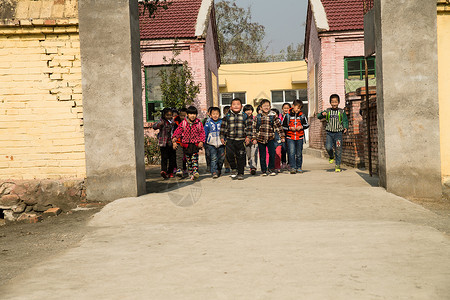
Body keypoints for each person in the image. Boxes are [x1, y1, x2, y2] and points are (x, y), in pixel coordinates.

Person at [220, 98, 252, 180]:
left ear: (241, 106)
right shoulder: (227, 116)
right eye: (234, 104)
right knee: (229, 155)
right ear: (231, 107)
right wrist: (222, 137)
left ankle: (240, 173)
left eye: (238, 104)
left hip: (241, 140)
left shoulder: (245, 116)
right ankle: (233, 168)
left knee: (240, 156)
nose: (236, 106)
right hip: (230, 139)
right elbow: (223, 127)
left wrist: (248, 137)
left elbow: (248, 128)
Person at [252, 99, 285, 176]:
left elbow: (278, 127)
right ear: (261, 107)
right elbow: (254, 128)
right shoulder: (258, 117)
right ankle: (264, 170)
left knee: (272, 154)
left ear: (270, 107)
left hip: (270, 138)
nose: (266, 107)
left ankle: (271, 168)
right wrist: (254, 138)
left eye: (268, 106)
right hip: (260, 139)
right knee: (262, 155)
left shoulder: (273, 116)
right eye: (264, 106)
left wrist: (282, 136)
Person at [172, 106, 205, 180]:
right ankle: (191, 173)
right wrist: (174, 138)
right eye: (191, 114)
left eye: (194, 114)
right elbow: (178, 131)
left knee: (194, 159)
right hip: (186, 145)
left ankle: (195, 172)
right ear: (187, 114)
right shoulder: (183, 123)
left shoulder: (198, 123)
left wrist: (201, 141)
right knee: (189, 161)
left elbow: (202, 133)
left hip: (195, 144)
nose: (193, 116)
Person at [317, 94, 348, 172]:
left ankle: (337, 165)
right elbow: (318, 116)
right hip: (329, 133)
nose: (334, 104)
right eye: (332, 102)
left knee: (338, 149)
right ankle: (331, 156)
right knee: (328, 147)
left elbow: (345, 120)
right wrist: (322, 114)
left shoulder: (342, 111)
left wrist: (345, 127)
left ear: (338, 102)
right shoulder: (327, 111)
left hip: (338, 134)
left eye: (336, 102)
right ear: (330, 103)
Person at [282, 100, 309, 174]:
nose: (298, 110)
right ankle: (292, 167)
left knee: (299, 153)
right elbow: (283, 126)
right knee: (291, 152)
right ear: (293, 106)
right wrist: (290, 128)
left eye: (299, 109)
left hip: (299, 137)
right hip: (290, 137)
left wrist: (301, 127)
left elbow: (307, 125)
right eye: (297, 108)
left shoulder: (302, 116)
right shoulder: (287, 116)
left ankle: (299, 167)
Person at [152, 107, 176, 179]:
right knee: (164, 158)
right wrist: (160, 124)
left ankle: (170, 172)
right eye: (167, 115)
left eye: (170, 115)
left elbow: (175, 130)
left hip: (171, 143)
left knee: (172, 158)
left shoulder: (172, 122)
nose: (169, 116)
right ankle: (164, 171)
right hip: (163, 143)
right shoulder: (161, 121)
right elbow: (154, 126)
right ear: (164, 115)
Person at [204, 107, 225, 179]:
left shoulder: (222, 122)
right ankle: (214, 171)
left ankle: (219, 169)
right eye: (213, 114)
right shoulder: (208, 123)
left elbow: (225, 132)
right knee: (213, 158)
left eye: (217, 114)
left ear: (219, 114)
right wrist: (204, 142)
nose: (215, 115)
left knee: (221, 157)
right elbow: (205, 133)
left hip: (221, 143)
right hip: (211, 144)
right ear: (210, 115)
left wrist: (225, 140)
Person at [243, 104, 258, 175]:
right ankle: (250, 165)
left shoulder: (255, 118)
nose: (249, 112)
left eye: (250, 110)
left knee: (254, 154)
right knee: (248, 154)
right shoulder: (243, 119)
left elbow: (257, 129)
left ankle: (253, 168)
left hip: (254, 139)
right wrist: (246, 138)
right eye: (246, 110)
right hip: (245, 140)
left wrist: (255, 138)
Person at [173, 107, 187, 177]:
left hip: (187, 142)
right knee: (179, 156)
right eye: (181, 115)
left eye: (184, 116)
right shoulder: (176, 122)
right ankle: (179, 169)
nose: (183, 117)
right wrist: (174, 142)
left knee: (187, 156)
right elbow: (174, 133)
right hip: (179, 142)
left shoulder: (189, 123)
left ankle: (186, 169)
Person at [280, 103, 291, 171]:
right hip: (282, 135)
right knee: (283, 149)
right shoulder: (280, 116)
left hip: (289, 134)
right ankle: (283, 162)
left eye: (287, 108)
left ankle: (289, 163)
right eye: (285, 108)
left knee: (290, 150)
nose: (286, 109)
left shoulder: (291, 116)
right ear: (282, 109)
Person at [222, 105, 231, 173]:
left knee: (233, 154)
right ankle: (227, 167)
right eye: (226, 112)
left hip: (233, 138)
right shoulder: (223, 120)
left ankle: (235, 166)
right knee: (226, 154)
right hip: (226, 139)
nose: (228, 113)